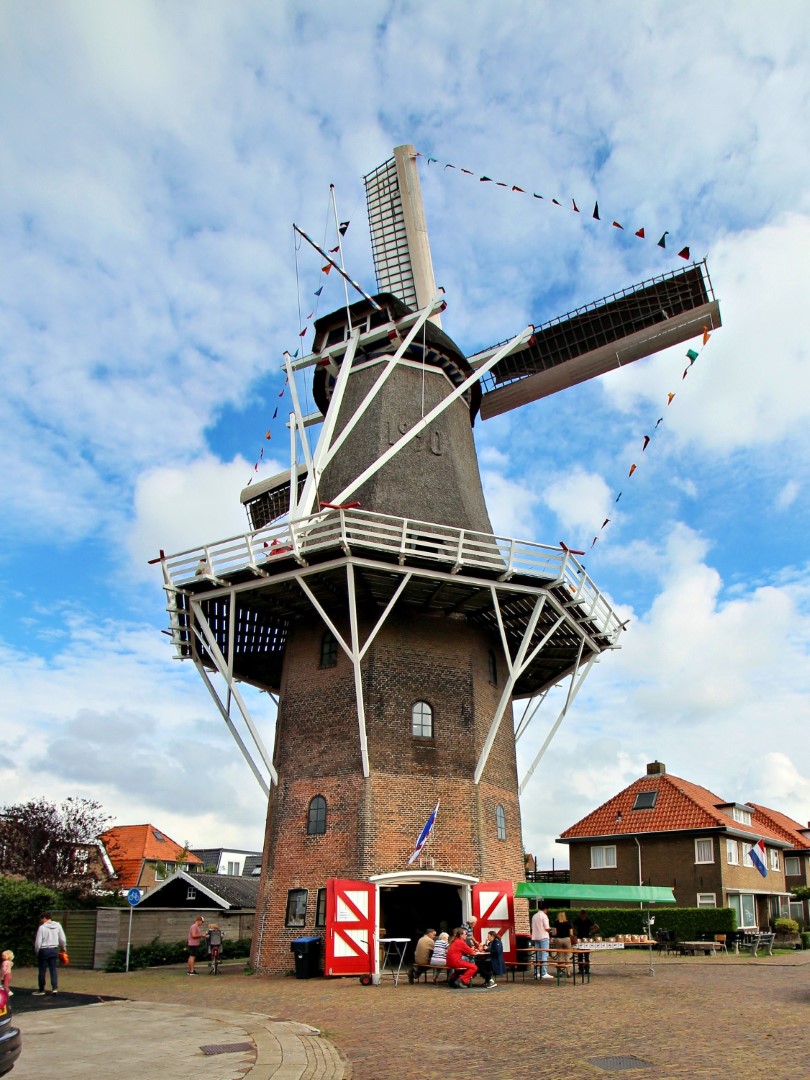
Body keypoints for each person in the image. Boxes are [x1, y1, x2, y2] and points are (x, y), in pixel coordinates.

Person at [33, 912, 67, 995]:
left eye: (42, 919)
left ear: (44, 918)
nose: (41, 921)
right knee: (53, 969)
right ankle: (54, 988)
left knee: (42, 970)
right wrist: (63, 948)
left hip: (44, 950)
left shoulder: (42, 927)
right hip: (54, 949)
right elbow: (62, 938)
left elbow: (38, 941)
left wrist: (37, 950)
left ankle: (41, 990)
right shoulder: (58, 925)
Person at [531, 901, 553, 980]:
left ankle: (536, 972)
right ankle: (544, 972)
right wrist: (550, 931)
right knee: (544, 954)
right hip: (543, 936)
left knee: (537, 955)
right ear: (546, 909)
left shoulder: (534, 916)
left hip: (536, 937)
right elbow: (547, 928)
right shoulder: (544, 916)